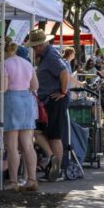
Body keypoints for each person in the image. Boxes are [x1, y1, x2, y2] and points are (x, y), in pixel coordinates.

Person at [0, 39, 39, 191]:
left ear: (3, 51)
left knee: (11, 146)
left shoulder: (4, 64)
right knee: (28, 144)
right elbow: (35, 86)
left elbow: (3, 88)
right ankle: (32, 179)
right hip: (27, 101)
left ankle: (13, 182)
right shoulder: (27, 63)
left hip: (11, 101)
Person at [25, 29, 69, 182]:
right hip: (48, 101)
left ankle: (57, 171)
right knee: (39, 132)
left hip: (54, 101)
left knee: (54, 136)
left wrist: (63, 91)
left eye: (36, 46)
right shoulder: (46, 55)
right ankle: (53, 160)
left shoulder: (50, 55)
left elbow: (64, 73)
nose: (34, 49)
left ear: (42, 44)